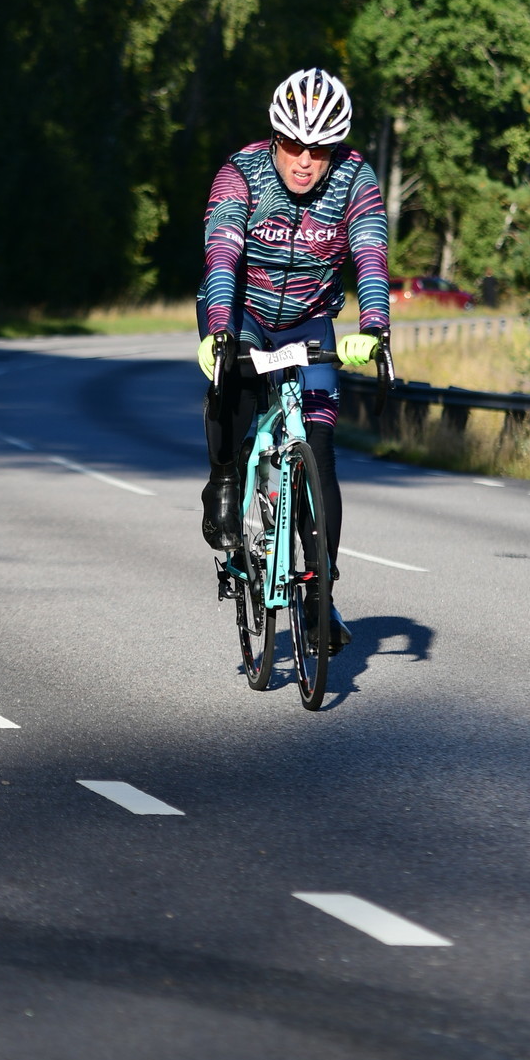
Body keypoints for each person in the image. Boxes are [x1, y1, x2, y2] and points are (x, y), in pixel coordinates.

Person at [197, 68, 390, 653]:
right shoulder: (241, 174)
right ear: (275, 137)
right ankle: (225, 479)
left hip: (310, 319)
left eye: (320, 149)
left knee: (321, 453)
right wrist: (219, 330)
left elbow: (371, 255)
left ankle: (319, 597)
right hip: (244, 311)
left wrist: (373, 328)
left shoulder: (356, 179)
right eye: (293, 145)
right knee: (232, 387)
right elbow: (222, 254)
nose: (305, 161)